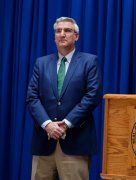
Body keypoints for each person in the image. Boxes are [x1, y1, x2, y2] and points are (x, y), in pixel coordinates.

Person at [26, 17, 102, 179]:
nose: (62, 34)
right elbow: (32, 98)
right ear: (54, 37)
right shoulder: (41, 63)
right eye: (58, 31)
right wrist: (48, 125)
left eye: (67, 31)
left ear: (76, 36)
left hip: (75, 143)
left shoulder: (89, 61)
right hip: (44, 142)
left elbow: (92, 96)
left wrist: (65, 124)